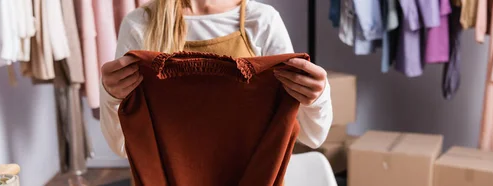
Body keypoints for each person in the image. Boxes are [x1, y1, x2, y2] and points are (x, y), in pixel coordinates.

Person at [99, 0, 334, 158]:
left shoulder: (261, 21)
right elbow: (122, 146)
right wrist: (111, 97)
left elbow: (312, 136)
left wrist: (317, 96)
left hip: (252, 175)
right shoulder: (140, 25)